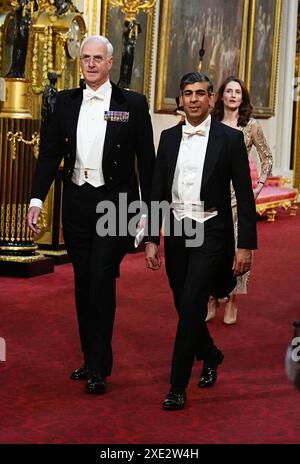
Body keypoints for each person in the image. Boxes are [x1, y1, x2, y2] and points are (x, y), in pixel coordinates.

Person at [27, 35, 155, 394]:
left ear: (110, 62)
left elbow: (147, 164)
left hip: (115, 203)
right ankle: (90, 358)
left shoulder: (131, 103)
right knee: (83, 282)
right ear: (79, 62)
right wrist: (37, 200)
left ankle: (99, 366)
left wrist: (150, 216)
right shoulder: (65, 103)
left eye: (98, 58)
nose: (91, 64)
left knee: (100, 279)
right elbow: (50, 155)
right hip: (77, 203)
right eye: (86, 58)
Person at [145, 72, 257, 410]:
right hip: (179, 230)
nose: (194, 99)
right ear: (180, 99)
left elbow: (245, 196)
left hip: (211, 230)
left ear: (212, 99)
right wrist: (152, 238)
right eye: (187, 93)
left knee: (192, 302)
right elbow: (156, 192)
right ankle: (210, 354)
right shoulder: (167, 138)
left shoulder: (230, 139)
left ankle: (177, 386)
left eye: (200, 93)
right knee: (184, 304)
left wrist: (245, 245)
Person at [207, 76, 273, 324]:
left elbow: (266, 156)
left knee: (239, 247)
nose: (233, 95)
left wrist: (259, 187)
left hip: (240, 195)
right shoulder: (211, 122)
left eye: (238, 92)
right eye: (229, 91)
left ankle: (232, 299)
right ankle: (212, 297)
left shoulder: (251, 125)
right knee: (213, 248)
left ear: (242, 98)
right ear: (221, 95)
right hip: (213, 194)